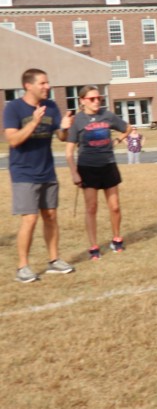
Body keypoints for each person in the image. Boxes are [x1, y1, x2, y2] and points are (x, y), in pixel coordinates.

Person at [4, 68, 75, 282]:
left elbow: (61, 138)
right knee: (30, 219)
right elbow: (13, 140)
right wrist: (34, 122)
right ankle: (22, 267)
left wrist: (64, 128)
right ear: (28, 85)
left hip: (47, 170)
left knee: (51, 216)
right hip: (23, 172)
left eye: (48, 82)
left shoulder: (51, 106)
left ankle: (54, 260)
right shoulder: (13, 108)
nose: (47, 86)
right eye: (43, 83)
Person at [65, 85, 130, 260]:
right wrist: (74, 173)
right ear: (82, 101)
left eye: (99, 98)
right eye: (92, 99)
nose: (96, 102)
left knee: (115, 207)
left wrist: (117, 140)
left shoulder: (107, 115)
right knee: (91, 208)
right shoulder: (78, 120)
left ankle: (116, 239)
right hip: (87, 168)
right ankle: (93, 246)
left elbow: (127, 128)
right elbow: (69, 151)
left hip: (108, 165)